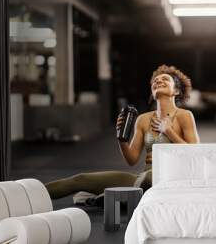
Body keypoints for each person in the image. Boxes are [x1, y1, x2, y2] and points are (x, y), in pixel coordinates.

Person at [45, 65, 200, 200]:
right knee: (80, 180)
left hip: (172, 177)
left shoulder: (184, 116)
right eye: (155, 81)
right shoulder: (142, 119)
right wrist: (121, 138)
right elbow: (132, 159)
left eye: (165, 79)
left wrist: (169, 131)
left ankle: (122, 196)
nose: (158, 81)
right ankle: (26, 194)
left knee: (150, 178)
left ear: (176, 91)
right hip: (142, 179)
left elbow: (195, 154)